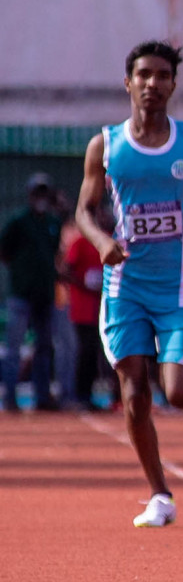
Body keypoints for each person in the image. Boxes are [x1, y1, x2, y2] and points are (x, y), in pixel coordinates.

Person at [73, 40, 183, 526]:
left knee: (182, 395)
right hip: (124, 286)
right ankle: (160, 494)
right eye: (144, 75)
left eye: (162, 75)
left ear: (173, 84)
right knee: (132, 389)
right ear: (128, 82)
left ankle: (161, 479)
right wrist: (101, 240)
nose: (153, 83)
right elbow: (84, 210)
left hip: (179, 289)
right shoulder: (106, 145)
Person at [2, 173, 64, 411]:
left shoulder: (53, 223)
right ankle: (10, 397)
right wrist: (23, 271)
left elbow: (55, 254)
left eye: (43, 193)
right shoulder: (19, 222)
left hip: (44, 295)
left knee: (45, 348)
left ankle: (42, 396)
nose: (40, 198)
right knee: (14, 348)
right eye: (36, 193)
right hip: (21, 294)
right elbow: (4, 251)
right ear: (30, 194)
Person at [59, 204, 116, 409]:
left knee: (108, 353)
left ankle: (110, 395)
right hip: (83, 307)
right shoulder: (80, 242)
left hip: (108, 306)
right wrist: (83, 283)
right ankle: (81, 394)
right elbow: (65, 270)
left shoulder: (112, 239)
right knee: (86, 350)